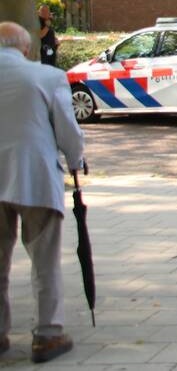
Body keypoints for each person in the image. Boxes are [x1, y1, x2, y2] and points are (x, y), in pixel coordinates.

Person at [0, 22, 85, 364]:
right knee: (44, 259)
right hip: (33, 175)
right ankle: (47, 335)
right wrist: (76, 160)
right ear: (25, 48)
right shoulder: (46, 77)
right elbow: (68, 131)